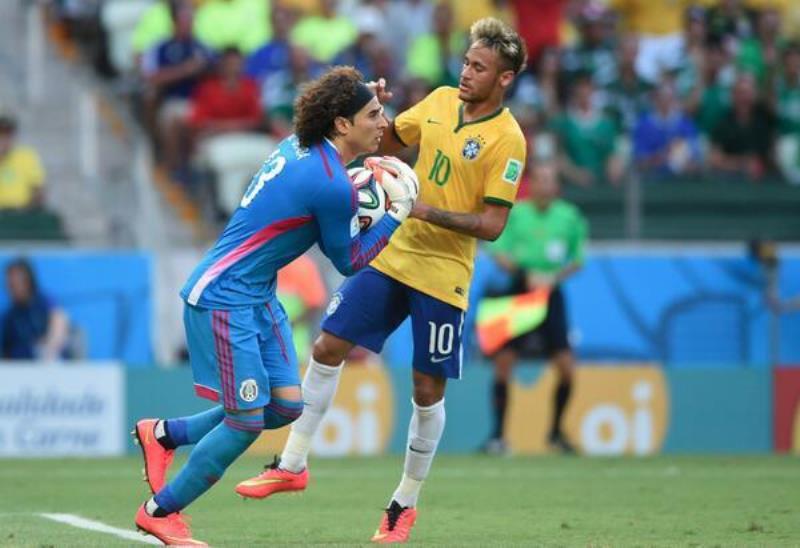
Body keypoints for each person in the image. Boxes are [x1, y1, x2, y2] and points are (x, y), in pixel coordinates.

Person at [236, 17, 528, 544]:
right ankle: (292, 462)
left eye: (479, 67)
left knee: (425, 387)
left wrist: (419, 209)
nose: (466, 72)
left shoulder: (508, 140)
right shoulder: (438, 101)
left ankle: (402, 504)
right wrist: (374, 112)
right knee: (327, 346)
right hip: (393, 256)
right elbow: (387, 145)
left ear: (504, 79)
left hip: (445, 275)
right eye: (466, 61)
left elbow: (491, 225)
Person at [131, 66, 419, 546]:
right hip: (224, 299)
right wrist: (395, 216)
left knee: (286, 405)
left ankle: (164, 434)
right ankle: (160, 511)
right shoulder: (331, 185)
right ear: (342, 125)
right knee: (245, 421)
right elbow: (349, 262)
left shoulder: (303, 144)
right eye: (374, 114)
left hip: (256, 294)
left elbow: (340, 113)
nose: (383, 123)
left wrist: (366, 93)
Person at [481, 162, 587, 456]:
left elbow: (578, 259)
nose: (543, 185)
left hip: (551, 294)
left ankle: (555, 433)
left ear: (556, 186)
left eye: (549, 180)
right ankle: (498, 437)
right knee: (504, 363)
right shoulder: (516, 214)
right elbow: (497, 251)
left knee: (566, 367)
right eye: (538, 179)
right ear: (531, 185)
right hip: (519, 292)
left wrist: (553, 276)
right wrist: (524, 272)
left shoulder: (570, 217)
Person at [1, 258, 69, 360]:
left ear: (28, 281)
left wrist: (48, 344)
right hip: (20, 368)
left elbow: (59, 321)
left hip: (48, 362)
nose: (12, 288)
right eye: (10, 284)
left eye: (15, 283)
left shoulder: (44, 301)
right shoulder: (9, 316)